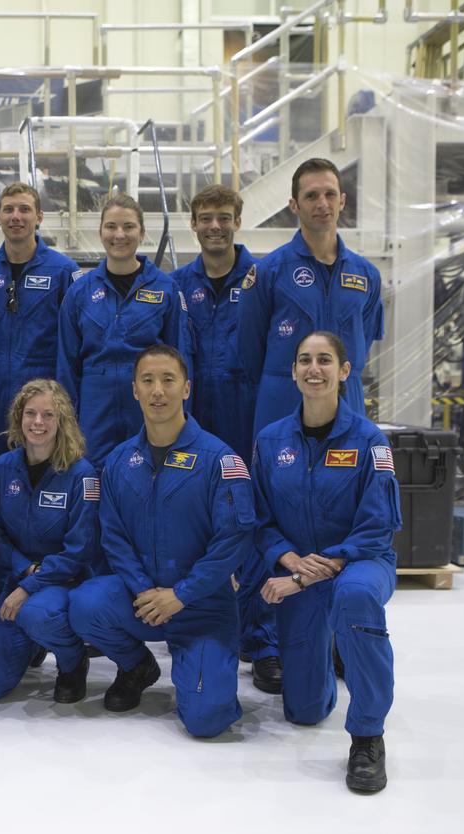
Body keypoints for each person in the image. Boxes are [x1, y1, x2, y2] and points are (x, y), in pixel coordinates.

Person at [68, 344, 253, 738]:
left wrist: (181, 595)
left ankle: (201, 666)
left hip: (201, 605)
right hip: (143, 599)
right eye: (147, 381)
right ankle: (138, 666)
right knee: (85, 604)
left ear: (187, 388)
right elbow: (113, 536)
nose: (158, 391)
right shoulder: (119, 461)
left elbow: (232, 540)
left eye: (168, 380)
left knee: (207, 721)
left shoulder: (219, 459)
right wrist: (144, 590)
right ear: (134, 390)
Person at [252, 330, 401, 794]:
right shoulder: (270, 441)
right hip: (298, 565)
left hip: (361, 561)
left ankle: (367, 735)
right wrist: (287, 557)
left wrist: (309, 572)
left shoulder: (369, 440)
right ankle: (332, 647)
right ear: (293, 372)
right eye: (304, 360)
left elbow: (378, 526)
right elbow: (257, 518)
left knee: (355, 598)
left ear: (344, 372)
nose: (313, 369)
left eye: (324, 360)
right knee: (305, 711)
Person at [172, 185, 279, 696]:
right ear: (192, 224)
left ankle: (263, 642)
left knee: (253, 523)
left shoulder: (262, 280)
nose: (215, 226)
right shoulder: (178, 286)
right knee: (200, 526)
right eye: (205, 218)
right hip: (196, 418)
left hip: (249, 414)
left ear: (239, 221)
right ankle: (201, 625)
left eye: (224, 218)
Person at [0, 379, 97, 704]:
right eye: (30, 414)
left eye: (48, 415)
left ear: (62, 421)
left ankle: (72, 660)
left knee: (37, 614)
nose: (38, 423)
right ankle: (32, 643)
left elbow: (80, 550)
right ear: (18, 418)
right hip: (16, 581)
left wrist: (32, 583)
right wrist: (24, 570)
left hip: (61, 584)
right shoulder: (2, 469)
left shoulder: (82, 475)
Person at [238, 158, 384, 437]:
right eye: (311, 196)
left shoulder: (367, 276)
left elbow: (362, 342)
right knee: (278, 480)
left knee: (345, 479)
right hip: (282, 399)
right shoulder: (268, 272)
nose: (322, 203)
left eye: (330, 194)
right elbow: (249, 349)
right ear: (294, 205)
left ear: (342, 201)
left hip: (347, 399)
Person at [58, 194, 189, 467]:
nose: (120, 234)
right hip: (95, 404)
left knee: (148, 474)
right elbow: (67, 365)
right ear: (101, 232)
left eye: (128, 226)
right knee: (92, 479)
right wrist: (67, 420)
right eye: (111, 226)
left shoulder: (165, 289)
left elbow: (182, 360)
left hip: (149, 401)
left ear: (141, 233)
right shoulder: (79, 292)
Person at [0, 182, 82, 462]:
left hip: (44, 399)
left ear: (39, 217)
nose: (16, 216)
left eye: (24, 209)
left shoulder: (63, 272)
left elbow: (72, 346)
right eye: (8, 210)